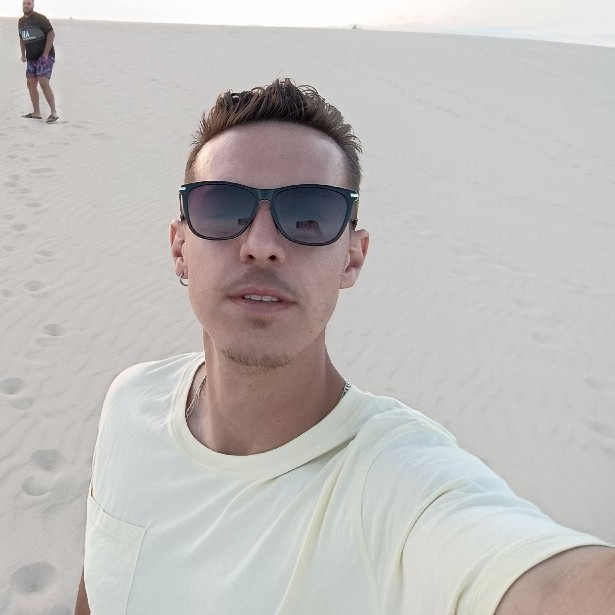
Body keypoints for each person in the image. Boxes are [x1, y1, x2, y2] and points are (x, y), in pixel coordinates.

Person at [75, 79, 614, 614]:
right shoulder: (130, 403)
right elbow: (100, 584)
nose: (260, 246)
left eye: (309, 215)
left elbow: (537, 581)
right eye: (221, 208)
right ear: (179, 247)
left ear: (352, 258)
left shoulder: (394, 486)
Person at [18, 0, 58, 123]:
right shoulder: (21, 21)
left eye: (28, 3)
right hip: (31, 57)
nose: (26, 5)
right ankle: (36, 113)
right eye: (24, 3)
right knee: (30, 83)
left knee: (43, 81)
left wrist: (45, 53)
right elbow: (22, 39)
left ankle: (54, 112)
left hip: (44, 55)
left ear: (33, 5)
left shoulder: (40, 18)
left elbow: (51, 34)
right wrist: (23, 54)